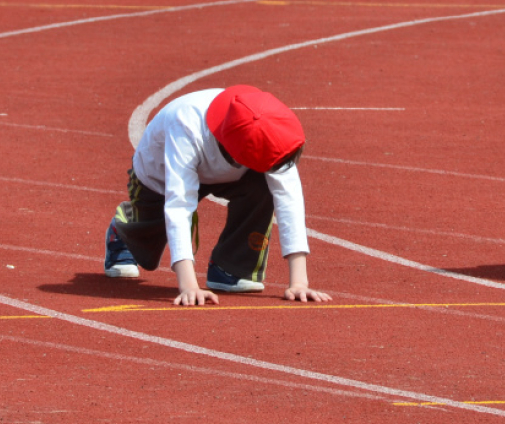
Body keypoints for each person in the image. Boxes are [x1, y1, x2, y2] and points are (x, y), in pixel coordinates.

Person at [102, 85, 332, 306]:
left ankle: (230, 268)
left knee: (263, 188)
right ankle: (124, 231)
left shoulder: (269, 128)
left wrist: (299, 283)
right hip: (160, 173)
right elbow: (179, 204)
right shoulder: (185, 125)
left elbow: (289, 196)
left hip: (232, 169)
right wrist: (188, 286)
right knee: (149, 231)